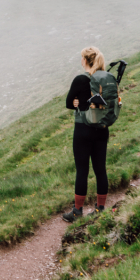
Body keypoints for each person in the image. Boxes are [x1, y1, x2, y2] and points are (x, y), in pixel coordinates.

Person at [62, 46, 109, 222]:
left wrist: (76, 102)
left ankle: (77, 212)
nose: (80, 60)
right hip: (102, 130)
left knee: (82, 170)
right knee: (100, 170)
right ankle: (100, 208)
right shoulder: (105, 78)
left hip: (83, 130)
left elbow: (68, 102)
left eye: (82, 57)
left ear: (86, 60)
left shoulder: (80, 79)